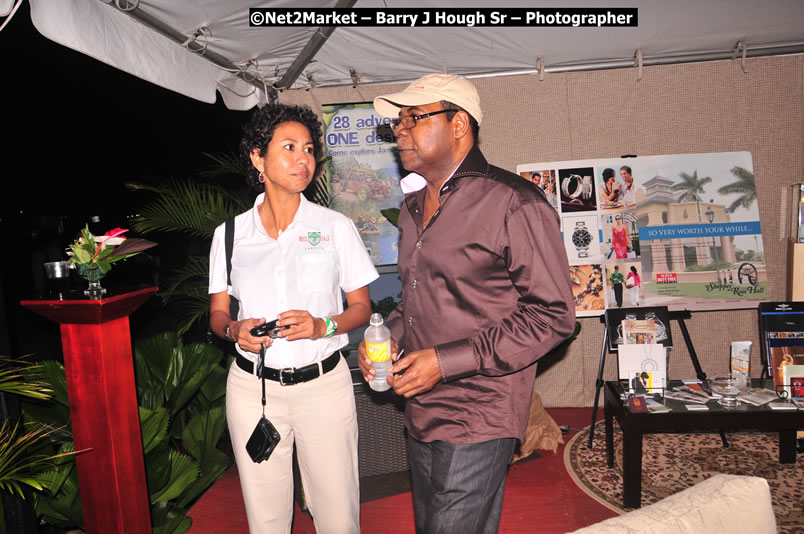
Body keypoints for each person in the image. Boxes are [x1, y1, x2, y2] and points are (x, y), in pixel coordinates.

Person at [359, 73, 576, 533]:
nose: (400, 129)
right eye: (398, 121)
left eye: (414, 118)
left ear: (459, 124)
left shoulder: (514, 203)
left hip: (480, 408)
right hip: (420, 405)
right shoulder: (414, 208)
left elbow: (553, 316)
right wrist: (387, 338)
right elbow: (417, 300)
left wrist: (445, 361)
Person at [208, 104, 377, 533]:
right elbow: (217, 316)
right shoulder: (229, 236)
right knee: (266, 518)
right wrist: (235, 331)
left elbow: (361, 308)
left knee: (338, 515)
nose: (303, 159)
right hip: (252, 389)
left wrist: (324, 326)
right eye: (289, 148)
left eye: (308, 149)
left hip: (324, 387)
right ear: (257, 158)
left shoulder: (335, 226)